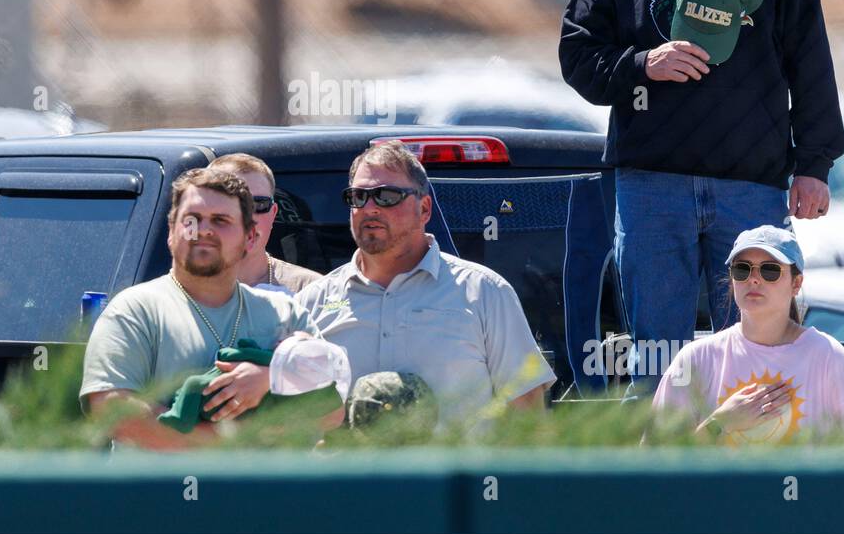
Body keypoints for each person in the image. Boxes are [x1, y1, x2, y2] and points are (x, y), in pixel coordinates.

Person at [558, 0, 844, 390]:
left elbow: (809, 61)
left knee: (759, 352)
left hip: (749, 186)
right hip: (649, 187)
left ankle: (753, 476)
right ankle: (664, 478)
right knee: (658, 366)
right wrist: (642, 64)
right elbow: (576, 56)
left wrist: (814, 165)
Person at [296, 142, 556, 429]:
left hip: (456, 473)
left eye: (386, 196)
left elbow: (527, 414)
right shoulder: (312, 304)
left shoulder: (484, 292)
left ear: (424, 208)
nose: (369, 208)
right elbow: (292, 421)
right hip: (349, 474)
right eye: (358, 196)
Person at [80, 168, 338, 449]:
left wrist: (270, 377)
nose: (203, 230)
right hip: (163, 492)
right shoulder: (134, 310)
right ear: (171, 232)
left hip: (266, 492)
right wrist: (230, 445)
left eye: (220, 220)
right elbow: (111, 408)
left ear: (250, 238)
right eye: (192, 219)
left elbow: (332, 408)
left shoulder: (284, 313)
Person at [652, 226, 844, 448]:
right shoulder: (695, 359)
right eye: (742, 269)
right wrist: (720, 423)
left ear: (796, 284)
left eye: (770, 270)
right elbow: (655, 467)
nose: (754, 279)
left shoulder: (828, 357)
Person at [206, 153, 322, 294]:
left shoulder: (312, 291)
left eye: (259, 204)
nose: (246, 217)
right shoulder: (178, 293)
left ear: (273, 214)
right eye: (231, 203)